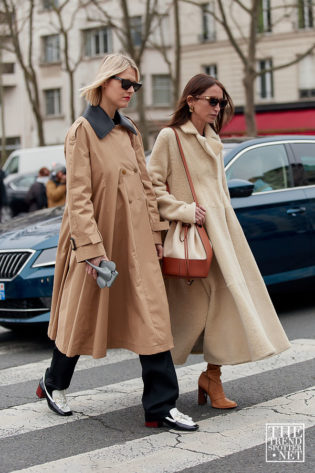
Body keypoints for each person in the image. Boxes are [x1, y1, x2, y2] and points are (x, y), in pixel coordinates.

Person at [36, 53, 198, 432]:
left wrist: (157, 235)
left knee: (154, 318)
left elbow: (145, 186)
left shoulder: (129, 130)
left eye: (135, 86)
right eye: (125, 83)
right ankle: (54, 381)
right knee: (81, 315)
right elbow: (77, 198)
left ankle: (160, 406)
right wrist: (91, 252)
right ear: (104, 83)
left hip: (137, 239)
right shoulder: (82, 130)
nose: (131, 91)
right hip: (97, 240)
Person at [148, 74, 291, 409]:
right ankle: (158, 380)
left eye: (221, 102)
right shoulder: (170, 137)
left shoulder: (212, 139)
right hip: (191, 238)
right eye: (212, 101)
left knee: (227, 305)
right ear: (191, 100)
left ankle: (213, 376)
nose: (218, 108)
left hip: (223, 236)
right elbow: (151, 185)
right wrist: (182, 210)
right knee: (184, 310)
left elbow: (219, 193)